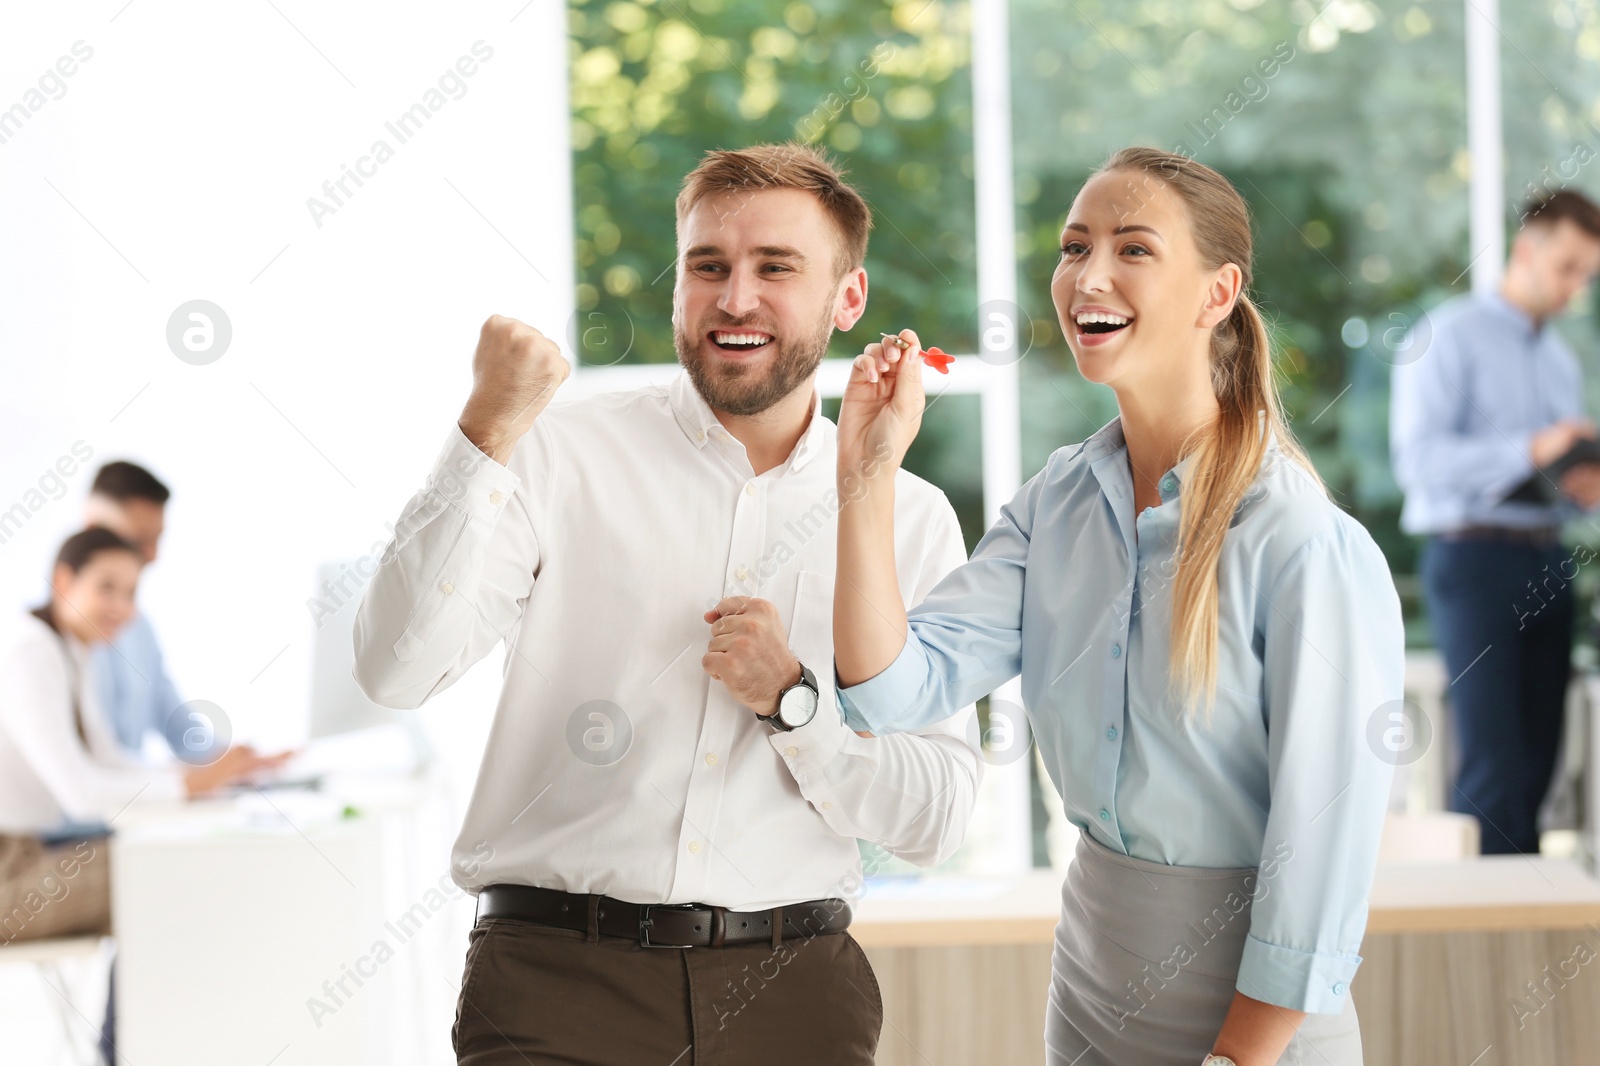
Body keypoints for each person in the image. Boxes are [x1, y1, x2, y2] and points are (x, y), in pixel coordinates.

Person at [353, 143, 982, 1066]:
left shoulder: (910, 516)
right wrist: (483, 431)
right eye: (707, 267)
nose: (735, 299)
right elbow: (394, 670)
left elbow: (937, 821)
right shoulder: (555, 454)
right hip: (553, 992)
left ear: (847, 299)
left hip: (794, 996)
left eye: (776, 268)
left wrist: (796, 704)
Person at [832, 147, 1404, 1065]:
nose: (1087, 276)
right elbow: (888, 691)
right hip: (1090, 994)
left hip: (1254, 1028)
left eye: (1133, 249)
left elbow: (1324, 850)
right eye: (1073, 247)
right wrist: (866, 475)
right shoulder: (1055, 502)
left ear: (1218, 293)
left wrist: (1236, 1057)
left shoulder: (1302, 542)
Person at [0, 527, 288, 1063]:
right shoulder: (29, 653)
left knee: (171, 866)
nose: (120, 607)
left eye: (131, 593)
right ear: (64, 580)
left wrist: (211, 777)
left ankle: (137, 1049)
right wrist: (190, 784)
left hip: (32, 856)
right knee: (163, 875)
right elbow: (81, 792)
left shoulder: (71, 647)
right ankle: (128, 1053)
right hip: (11, 875)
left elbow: (112, 763)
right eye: (106, 587)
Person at [1390, 189, 1600, 855]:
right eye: (1567, 268)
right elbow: (1419, 463)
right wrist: (1531, 447)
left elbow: (1553, 483)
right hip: (1474, 564)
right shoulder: (1446, 335)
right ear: (1525, 251)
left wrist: (1580, 487)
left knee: (1542, 760)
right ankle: (1479, 930)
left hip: (1548, 557)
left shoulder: (1561, 361)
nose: (1575, 288)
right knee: (1493, 765)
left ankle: (1528, 927)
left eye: (1586, 275)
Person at [83, 460, 191, 760]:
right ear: (93, 531)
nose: (152, 556)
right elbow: (84, 778)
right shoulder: (38, 639)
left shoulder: (138, 626)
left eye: (158, 539)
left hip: (132, 801)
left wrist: (233, 762)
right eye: (140, 540)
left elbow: (176, 723)